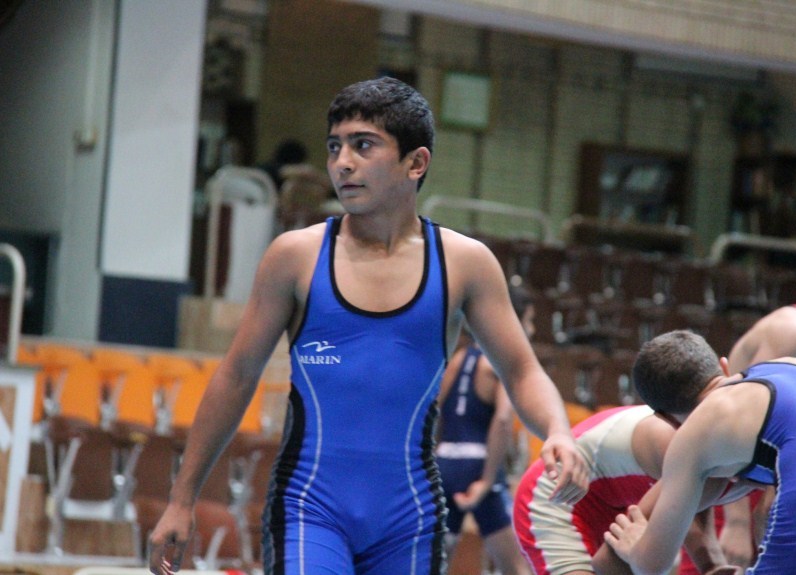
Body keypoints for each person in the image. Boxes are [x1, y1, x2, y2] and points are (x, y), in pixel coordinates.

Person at [147, 77, 587, 575]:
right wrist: (182, 498)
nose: (342, 162)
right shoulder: (296, 256)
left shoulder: (464, 263)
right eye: (335, 146)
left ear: (416, 163)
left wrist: (558, 431)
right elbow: (236, 375)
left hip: (410, 519)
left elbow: (521, 370)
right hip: (310, 510)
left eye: (363, 145)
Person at [604, 330, 796, 575]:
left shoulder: (696, 429)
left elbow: (653, 564)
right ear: (724, 366)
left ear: (664, 418)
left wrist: (636, 546)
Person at [513, 400, 748, 575]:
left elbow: (692, 503)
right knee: (647, 561)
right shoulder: (698, 455)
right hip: (558, 493)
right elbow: (608, 563)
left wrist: (711, 565)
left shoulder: (722, 451)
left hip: (614, 495)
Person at [676, 304, 796, 573]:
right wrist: (737, 523)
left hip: (790, 474)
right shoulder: (793, 328)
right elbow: (740, 419)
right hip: (733, 475)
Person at [436, 284, 535, 575]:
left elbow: (435, 411)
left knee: (437, 563)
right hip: (479, 467)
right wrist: (488, 479)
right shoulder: (500, 363)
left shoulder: (458, 358)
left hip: (445, 464)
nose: (531, 330)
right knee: (516, 567)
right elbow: (503, 419)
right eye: (529, 321)